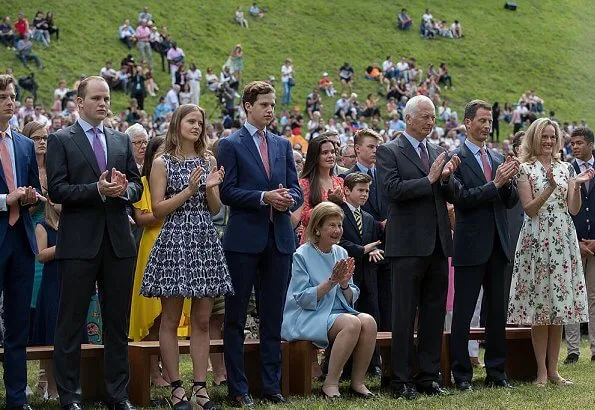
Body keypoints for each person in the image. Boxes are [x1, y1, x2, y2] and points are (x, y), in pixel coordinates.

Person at [46, 76, 143, 410]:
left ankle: (118, 395)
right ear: (79, 101)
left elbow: (136, 188)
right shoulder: (61, 139)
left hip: (118, 242)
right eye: (97, 98)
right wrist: (96, 189)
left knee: (117, 323)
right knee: (71, 321)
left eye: (107, 98)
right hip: (78, 243)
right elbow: (56, 190)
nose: (104, 103)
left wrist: (123, 191)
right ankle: (70, 396)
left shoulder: (120, 140)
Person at [140, 104, 233, 409]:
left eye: (201, 122)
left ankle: (201, 388)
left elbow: (216, 209)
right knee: (169, 317)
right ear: (178, 124)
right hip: (174, 240)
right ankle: (176, 388)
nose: (197, 126)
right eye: (191, 121)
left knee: (203, 320)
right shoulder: (161, 162)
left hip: (204, 239)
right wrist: (188, 191)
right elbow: (157, 209)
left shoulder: (208, 159)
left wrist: (209, 189)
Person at [217, 81, 303, 408]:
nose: (270, 110)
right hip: (242, 242)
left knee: (272, 318)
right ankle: (238, 388)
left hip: (278, 239)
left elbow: (295, 190)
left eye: (272, 104)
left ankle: (271, 385)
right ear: (247, 106)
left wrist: (286, 200)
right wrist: (263, 197)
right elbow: (228, 193)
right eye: (264, 104)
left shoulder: (282, 145)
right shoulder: (231, 144)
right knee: (236, 318)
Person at [376, 95, 461, 400]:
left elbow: (450, 193)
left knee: (434, 313)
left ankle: (428, 376)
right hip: (407, 245)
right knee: (403, 314)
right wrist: (429, 179)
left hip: (438, 243)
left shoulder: (438, 151)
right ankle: (400, 380)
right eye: (424, 116)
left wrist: (447, 178)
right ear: (408, 118)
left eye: (433, 117)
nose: (430, 122)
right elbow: (391, 191)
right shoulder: (389, 151)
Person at [508, 118, 591, 386]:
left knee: (558, 309)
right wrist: (550, 187)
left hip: (563, 237)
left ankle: (554, 371)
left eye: (552, 137)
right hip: (537, 238)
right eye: (544, 136)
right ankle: (541, 373)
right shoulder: (525, 169)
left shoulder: (565, 167)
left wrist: (575, 186)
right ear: (534, 138)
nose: (548, 141)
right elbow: (530, 209)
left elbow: (574, 209)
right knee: (540, 309)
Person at [449, 100, 519, 392]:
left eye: (490, 121)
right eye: (481, 120)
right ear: (467, 122)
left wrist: (509, 181)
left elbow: (510, 201)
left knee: (496, 314)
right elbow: (461, 199)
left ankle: (497, 371)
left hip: (498, 245)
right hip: (470, 245)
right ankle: (462, 374)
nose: (487, 126)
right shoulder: (456, 157)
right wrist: (495, 184)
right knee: (464, 314)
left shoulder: (495, 156)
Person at [282, 202, 377, 398]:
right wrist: (331, 282)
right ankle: (330, 383)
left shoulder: (341, 252)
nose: (337, 230)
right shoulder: (301, 255)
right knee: (351, 323)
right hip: (306, 315)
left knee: (368, 321)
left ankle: (358, 382)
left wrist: (343, 284)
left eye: (339, 225)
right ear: (317, 228)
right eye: (331, 225)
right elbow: (301, 298)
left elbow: (350, 297)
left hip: (334, 312)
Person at [0, 74, 43, 410]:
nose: (10, 102)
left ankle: (17, 397)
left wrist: (30, 197)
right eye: (3, 97)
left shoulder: (25, 145)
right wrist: (6, 199)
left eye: (12, 96)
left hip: (21, 241)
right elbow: (9, 195)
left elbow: (32, 194)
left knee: (18, 324)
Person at [341, 129, 391, 336]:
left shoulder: (386, 175)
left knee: (385, 305)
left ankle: (383, 357)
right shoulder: (344, 178)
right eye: (371, 147)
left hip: (386, 250)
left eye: (378, 147)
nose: (375, 151)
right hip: (357, 255)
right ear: (357, 148)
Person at [563, 127, 595, 364]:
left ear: (591, 144)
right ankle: (573, 350)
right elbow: (564, 209)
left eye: (579, 143)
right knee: (571, 296)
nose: (574, 147)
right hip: (571, 242)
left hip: (594, 244)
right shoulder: (566, 170)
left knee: (593, 297)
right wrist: (575, 241)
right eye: (572, 143)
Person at [30, 200, 61, 400]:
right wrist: (64, 246)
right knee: (51, 337)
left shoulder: (74, 224)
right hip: (51, 286)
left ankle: (68, 384)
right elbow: (40, 255)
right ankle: (51, 387)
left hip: (71, 284)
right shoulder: (43, 224)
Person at [294, 133, 344, 242]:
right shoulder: (304, 183)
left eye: (333, 152)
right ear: (315, 157)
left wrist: (342, 203)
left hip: (336, 240)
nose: (331, 156)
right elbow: (304, 218)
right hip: (313, 240)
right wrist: (328, 203)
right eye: (325, 153)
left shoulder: (339, 181)